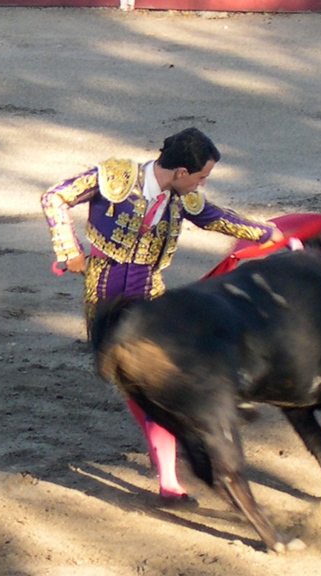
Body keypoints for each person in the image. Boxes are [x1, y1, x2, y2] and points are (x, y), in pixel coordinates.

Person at [41, 128, 283, 503]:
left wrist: (269, 234)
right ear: (181, 172)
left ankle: (177, 464)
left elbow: (217, 218)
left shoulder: (181, 196)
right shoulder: (115, 176)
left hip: (151, 291)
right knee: (141, 385)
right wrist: (68, 247)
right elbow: (55, 197)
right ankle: (171, 478)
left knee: (166, 375)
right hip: (105, 294)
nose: (202, 184)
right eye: (202, 177)